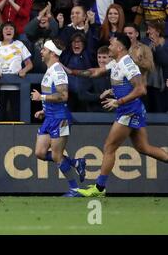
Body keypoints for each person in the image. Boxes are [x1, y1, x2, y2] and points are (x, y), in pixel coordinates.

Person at [67, 33, 168, 197]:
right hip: (131, 109)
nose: (109, 46)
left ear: (120, 47)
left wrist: (118, 102)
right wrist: (71, 71)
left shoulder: (127, 64)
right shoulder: (116, 62)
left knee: (109, 147)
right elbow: (95, 72)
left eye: (112, 44)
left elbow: (141, 89)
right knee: (144, 147)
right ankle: (99, 188)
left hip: (128, 110)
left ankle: (99, 188)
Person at [30, 38, 86, 197]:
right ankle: (76, 162)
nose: (41, 52)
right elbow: (51, 94)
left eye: (44, 50)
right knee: (40, 153)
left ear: (53, 53)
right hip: (50, 117)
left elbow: (63, 96)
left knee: (56, 156)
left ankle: (74, 189)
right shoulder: (50, 70)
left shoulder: (58, 71)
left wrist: (41, 98)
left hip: (60, 117)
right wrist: (44, 110)